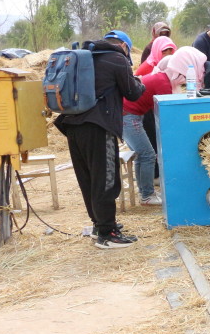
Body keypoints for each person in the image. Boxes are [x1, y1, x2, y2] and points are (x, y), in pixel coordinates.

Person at [54, 31, 145, 248]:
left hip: (73, 125)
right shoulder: (117, 58)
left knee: (88, 178)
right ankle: (108, 233)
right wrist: (140, 82)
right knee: (106, 179)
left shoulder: (85, 56)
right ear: (123, 45)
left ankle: (99, 225)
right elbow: (132, 92)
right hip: (98, 127)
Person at [122, 64, 182, 205]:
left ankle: (144, 192)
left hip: (127, 115)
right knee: (148, 154)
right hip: (129, 117)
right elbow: (167, 113)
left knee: (140, 155)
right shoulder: (164, 84)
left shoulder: (160, 78)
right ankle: (147, 195)